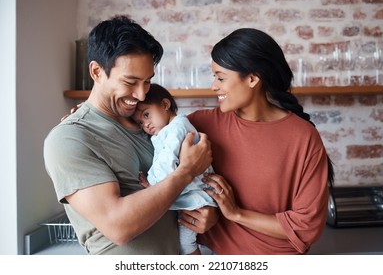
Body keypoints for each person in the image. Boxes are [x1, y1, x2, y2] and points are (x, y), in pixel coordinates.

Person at [43, 15, 217, 255]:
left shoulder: (147, 122)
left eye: (147, 82)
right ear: (96, 71)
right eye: (130, 82)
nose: (141, 94)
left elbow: (178, 198)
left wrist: (208, 213)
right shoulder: (69, 139)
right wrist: (186, 171)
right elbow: (119, 226)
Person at [183, 28, 335, 255]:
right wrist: (198, 214)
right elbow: (168, 180)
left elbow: (307, 227)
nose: (213, 86)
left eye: (221, 77)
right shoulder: (197, 126)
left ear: (253, 78)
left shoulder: (303, 137)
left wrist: (236, 213)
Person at [132, 83, 217, 255]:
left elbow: (167, 161)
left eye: (147, 115)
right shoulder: (166, 131)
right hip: (189, 194)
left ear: (165, 105)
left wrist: (152, 186)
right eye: (140, 122)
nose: (145, 125)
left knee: (186, 244)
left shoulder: (177, 128)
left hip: (197, 197)